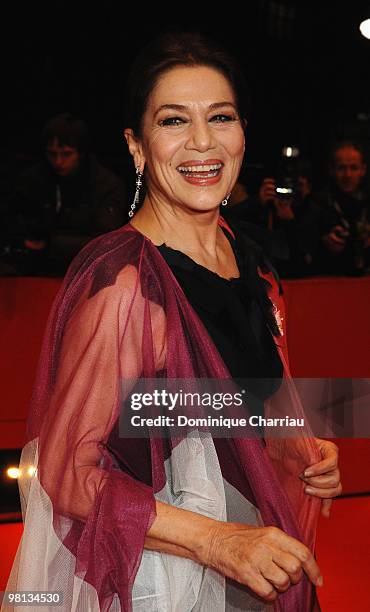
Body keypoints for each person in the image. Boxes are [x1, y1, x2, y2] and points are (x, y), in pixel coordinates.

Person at [3, 33, 341, 612]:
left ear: (242, 134)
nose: (202, 141)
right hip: (176, 580)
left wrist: (300, 451)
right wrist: (219, 541)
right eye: (173, 120)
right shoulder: (127, 285)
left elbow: (234, 405)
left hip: (262, 554)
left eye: (221, 117)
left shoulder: (247, 258)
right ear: (136, 147)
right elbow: (63, 471)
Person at [7, 113, 127, 275]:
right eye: (52, 154)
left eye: (66, 154)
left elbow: (106, 242)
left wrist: (49, 243)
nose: (58, 161)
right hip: (36, 268)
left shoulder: (106, 185)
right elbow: (14, 221)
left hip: (86, 271)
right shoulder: (33, 179)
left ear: (81, 153)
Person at [224, 158, 322, 277]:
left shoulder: (313, 211)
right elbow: (227, 221)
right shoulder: (264, 207)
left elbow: (306, 258)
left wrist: (290, 223)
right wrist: (257, 202)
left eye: (296, 185)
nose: (288, 191)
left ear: (308, 188)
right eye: (284, 185)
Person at [313, 139, 370, 275]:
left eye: (354, 168)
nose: (348, 175)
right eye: (341, 168)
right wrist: (323, 244)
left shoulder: (367, 202)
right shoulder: (317, 203)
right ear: (331, 170)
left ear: (363, 170)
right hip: (330, 280)